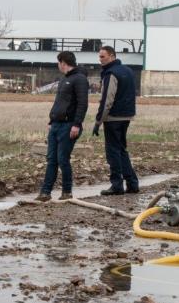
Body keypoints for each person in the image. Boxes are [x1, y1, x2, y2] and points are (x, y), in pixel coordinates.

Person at [36, 51, 89, 202]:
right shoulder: (64, 80)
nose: (58, 65)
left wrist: (77, 124)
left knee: (62, 159)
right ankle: (45, 193)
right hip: (56, 125)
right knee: (51, 159)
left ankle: (67, 192)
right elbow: (59, 102)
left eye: (58, 62)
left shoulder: (79, 79)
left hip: (69, 125)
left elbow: (82, 104)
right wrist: (51, 120)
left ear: (63, 62)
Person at [92, 46, 138, 195]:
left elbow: (107, 100)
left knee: (113, 151)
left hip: (113, 118)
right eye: (99, 57)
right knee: (121, 150)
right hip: (127, 116)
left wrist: (98, 121)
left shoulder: (111, 74)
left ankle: (116, 185)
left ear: (112, 56)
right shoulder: (128, 71)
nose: (100, 60)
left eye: (103, 57)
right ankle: (132, 183)